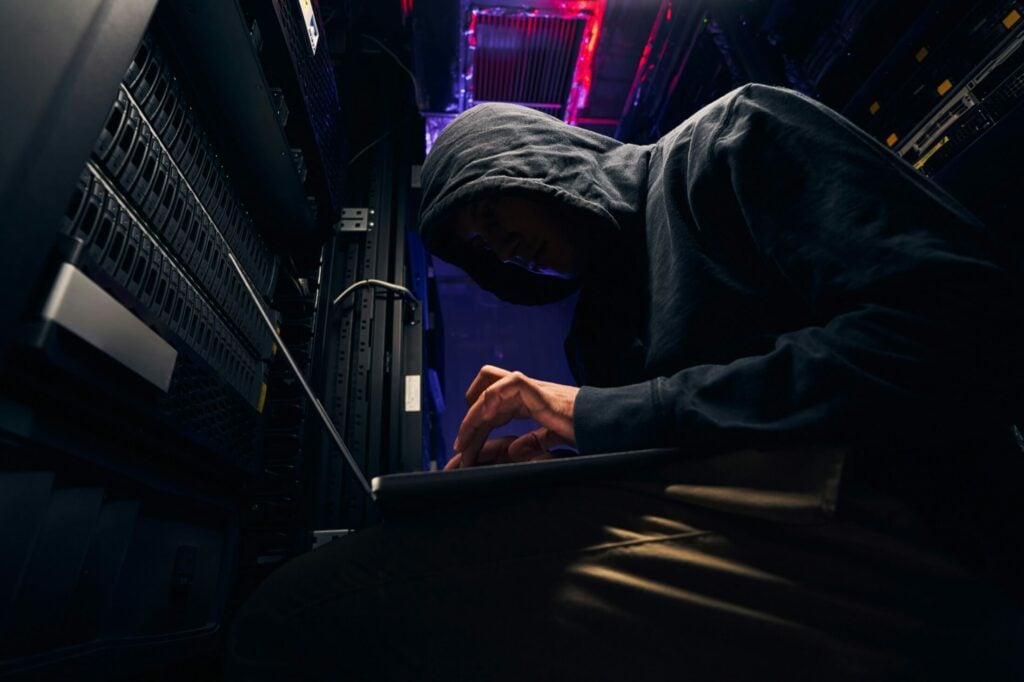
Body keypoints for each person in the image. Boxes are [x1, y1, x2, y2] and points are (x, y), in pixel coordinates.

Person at [226, 84, 1024, 680]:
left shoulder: (733, 139)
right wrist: (543, 478)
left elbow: (965, 326)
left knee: (304, 616)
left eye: (493, 213)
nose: (502, 248)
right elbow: (676, 450)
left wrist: (600, 414)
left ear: (533, 158)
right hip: (775, 539)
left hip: (918, 519)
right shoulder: (597, 334)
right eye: (482, 251)